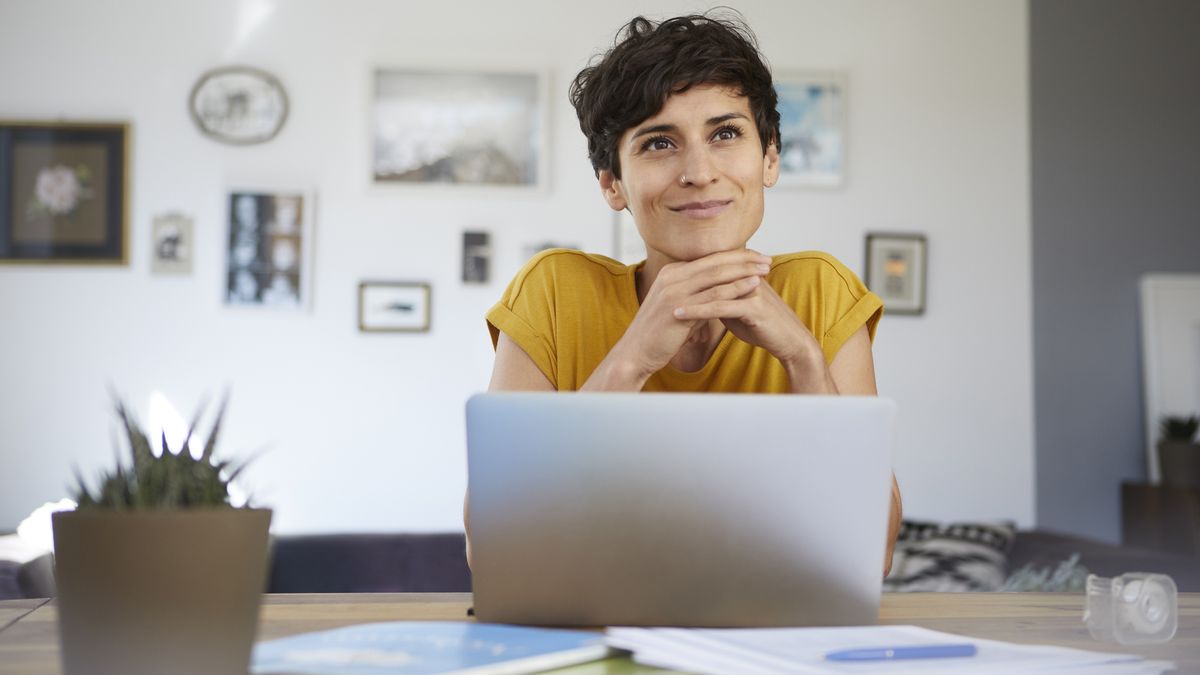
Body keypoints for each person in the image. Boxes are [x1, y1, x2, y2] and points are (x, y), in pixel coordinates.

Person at [469, 12, 902, 574]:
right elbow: (495, 551)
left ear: (769, 158)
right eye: (658, 143)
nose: (699, 171)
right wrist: (631, 360)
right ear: (612, 183)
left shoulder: (821, 291)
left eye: (725, 134)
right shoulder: (553, 292)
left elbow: (873, 552)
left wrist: (803, 360)